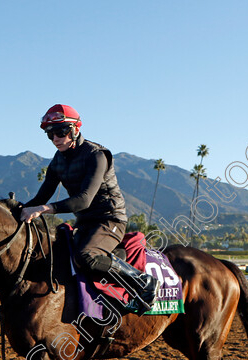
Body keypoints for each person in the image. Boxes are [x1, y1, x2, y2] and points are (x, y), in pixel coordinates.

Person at [20, 104, 159, 313]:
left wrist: (43, 209)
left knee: (85, 257)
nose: (56, 138)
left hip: (110, 219)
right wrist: (15, 208)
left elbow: (83, 200)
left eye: (61, 131)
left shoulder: (97, 154)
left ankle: (143, 281)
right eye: (50, 134)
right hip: (85, 223)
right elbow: (41, 196)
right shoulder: (57, 161)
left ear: (75, 129)